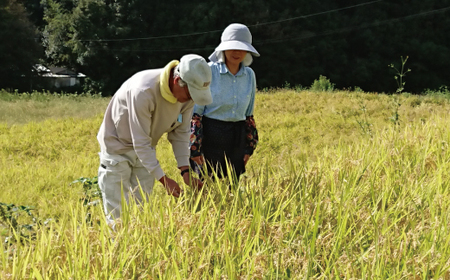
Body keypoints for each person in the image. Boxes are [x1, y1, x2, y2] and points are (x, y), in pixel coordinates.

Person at [97, 54, 212, 225]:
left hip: (147, 148)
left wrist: (185, 172)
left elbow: (180, 134)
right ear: (177, 80)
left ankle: (140, 248)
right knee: (117, 213)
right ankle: (118, 249)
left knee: (142, 208)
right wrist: (164, 180)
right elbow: (140, 142)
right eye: (190, 93)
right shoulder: (143, 91)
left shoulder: (186, 98)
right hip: (117, 148)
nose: (191, 99)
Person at [190, 23, 259, 182]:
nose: (237, 52)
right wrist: (194, 147)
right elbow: (196, 113)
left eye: (242, 48)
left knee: (232, 183)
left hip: (237, 135)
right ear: (223, 49)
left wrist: (249, 146)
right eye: (233, 48)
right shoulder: (209, 71)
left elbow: (248, 114)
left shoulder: (249, 75)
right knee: (208, 182)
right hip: (211, 134)